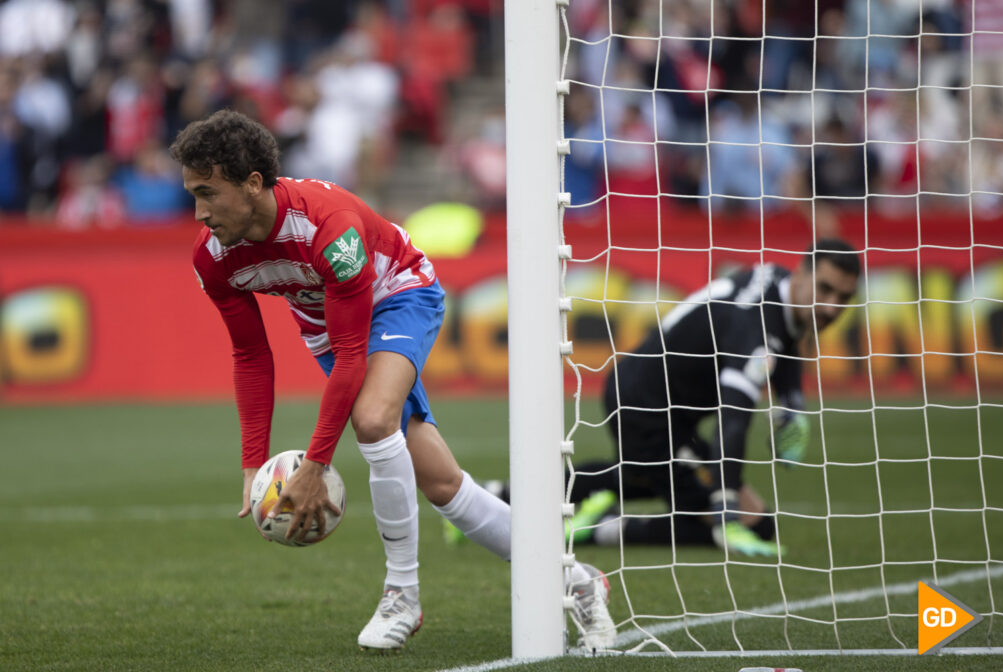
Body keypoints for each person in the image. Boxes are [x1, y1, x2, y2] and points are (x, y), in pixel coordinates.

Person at [168, 109, 616, 652]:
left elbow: (356, 351)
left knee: (375, 420)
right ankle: (577, 582)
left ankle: (401, 593)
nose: (198, 212)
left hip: (399, 293)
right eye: (193, 194)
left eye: (208, 193)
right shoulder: (213, 258)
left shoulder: (328, 228)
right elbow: (251, 354)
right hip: (329, 327)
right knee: (443, 485)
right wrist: (252, 463)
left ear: (253, 183)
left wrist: (315, 464)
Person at [569, 240, 861, 556]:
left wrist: (792, 405)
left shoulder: (779, 284)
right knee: (753, 524)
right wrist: (726, 509)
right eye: (825, 289)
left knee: (643, 475)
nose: (832, 307)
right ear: (803, 273)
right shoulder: (755, 334)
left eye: (844, 298)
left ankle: (512, 493)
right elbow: (732, 422)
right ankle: (601, 528)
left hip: (658, 402)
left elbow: (787, 336)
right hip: (643, 408)